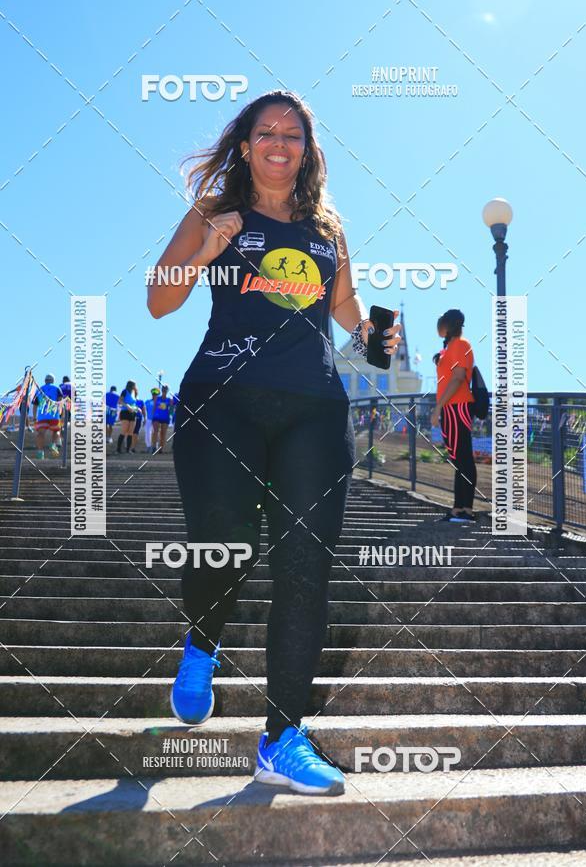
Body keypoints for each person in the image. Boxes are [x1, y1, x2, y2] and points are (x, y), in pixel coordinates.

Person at [148, 89, 402, 796]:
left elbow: (346, 311)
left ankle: (282, 735)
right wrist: (204, 249)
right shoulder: (212, 212)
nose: (280, 144)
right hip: (221, 403)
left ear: (309, 151)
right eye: (267, 133)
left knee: (305, 567)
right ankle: (203, 640)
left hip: (315, 412)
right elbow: (159, 299)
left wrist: (375, 336)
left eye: (294, 135)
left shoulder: (329, 229)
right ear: (245, 144)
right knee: (223, 540)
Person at [431, 309, 477, 523]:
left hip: (457, 406)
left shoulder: (460, 344)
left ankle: (464, 510)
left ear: (448, 325)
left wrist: (438, 406)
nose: (438, 326)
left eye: (441, 322)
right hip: (451, 407)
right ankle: (459, 509)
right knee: (459, 459)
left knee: (464, 459)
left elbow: (459, 377)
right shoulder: (451, 347)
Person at [32, 374, 63, 459]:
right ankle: (53, 445)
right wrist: (61, 415)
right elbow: (60, 403)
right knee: (56, 431)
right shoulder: (57, 388)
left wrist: (34, 417)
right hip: (54, 415)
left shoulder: (40, 389)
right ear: (53, 380)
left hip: (42, 416)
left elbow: (35, 405)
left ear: (45, 380)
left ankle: (40, 452)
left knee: (41, 433)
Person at [116, 380, 139, 454]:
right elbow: (120, 401)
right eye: (134, 385)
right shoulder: (124, 391)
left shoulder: (135, 393)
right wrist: (127, 406)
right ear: (131, 385)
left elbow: (134, 403)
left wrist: (137, 408)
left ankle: (128, 450)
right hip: (125, 412)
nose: (135, 386)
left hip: (133, 413)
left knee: (130, 432)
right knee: (124, 430)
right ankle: (118, 449)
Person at [151, 385, 172, 454]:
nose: (164, 391)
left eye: (165, 390)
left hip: (165, 417)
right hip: (157, 417)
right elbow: (154, 407)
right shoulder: (157, 398)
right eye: (163, 389)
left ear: (167, 391)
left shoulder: (169, 400)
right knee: (155, 432)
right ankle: (154, 447)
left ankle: (161, 448)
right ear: (162, 390)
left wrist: (170, 416)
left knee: (163, 433)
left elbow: (171, 409)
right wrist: (152, 416)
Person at [144, 388, 159, 452]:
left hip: (156, 419)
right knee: (147, 433)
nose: (154, 395)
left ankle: (155, 446)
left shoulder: (159, 402)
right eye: (153, 394)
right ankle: (148, 446)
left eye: (156, 394)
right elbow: (144, 410)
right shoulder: (147, 401)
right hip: (149, 419)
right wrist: (144, 419)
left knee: (155, 433)